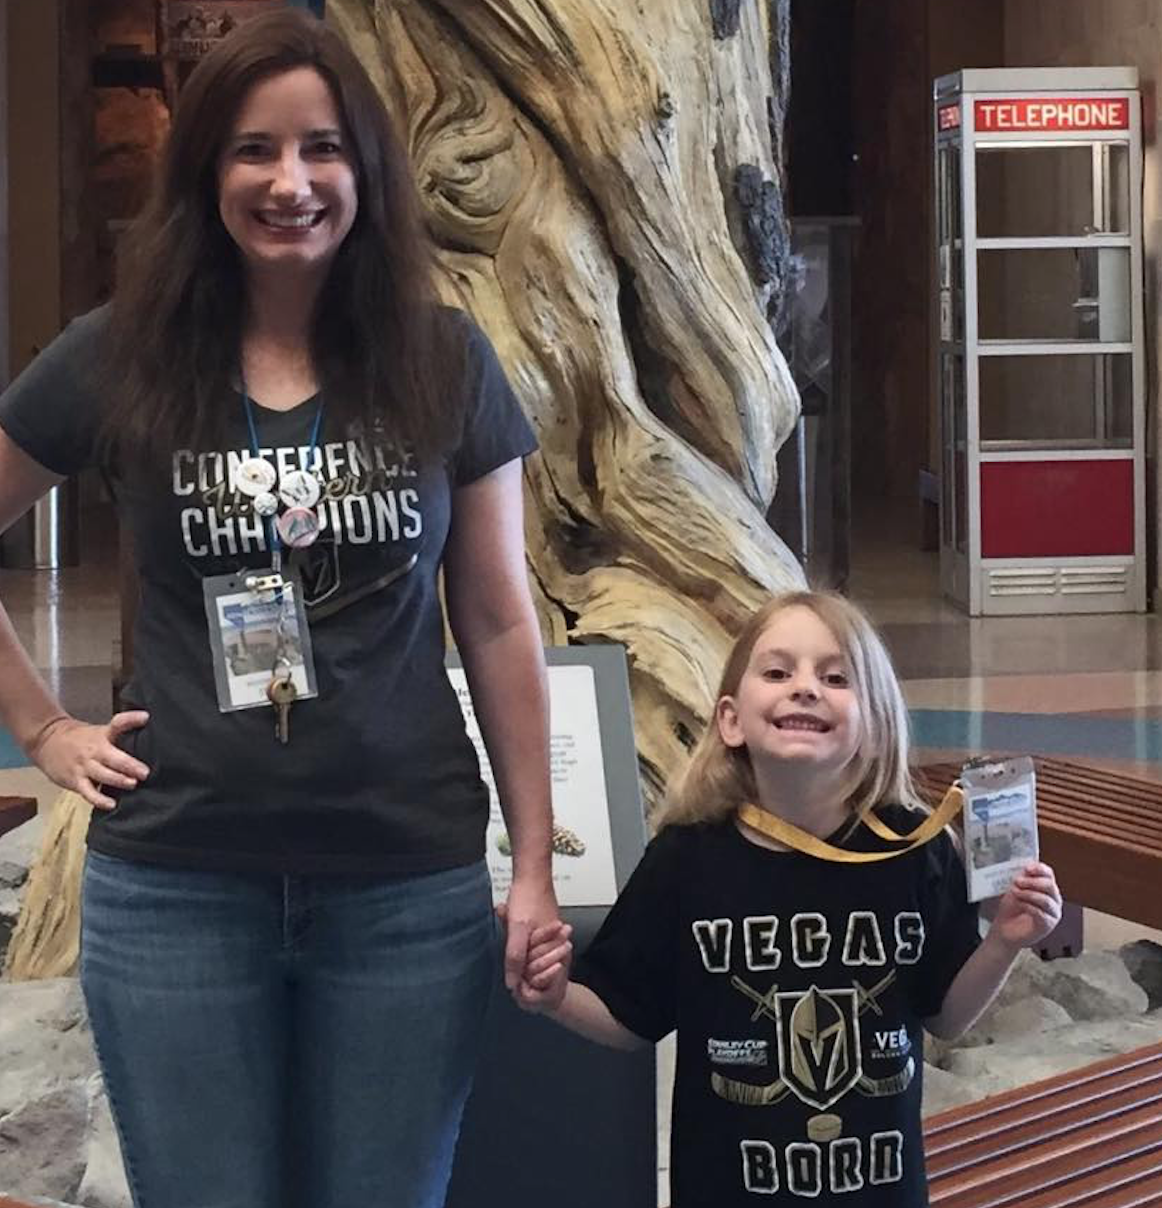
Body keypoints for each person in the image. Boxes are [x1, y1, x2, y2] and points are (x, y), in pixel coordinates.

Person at [0, 10, 557, 1207]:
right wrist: (43, 727)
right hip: (178, 887)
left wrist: (532, 867)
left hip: (404, 885)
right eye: (253, 149)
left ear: (367, 170)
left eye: (322, 148)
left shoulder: (444, 359)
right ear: (207, 173)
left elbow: (500, 619)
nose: (289, 182)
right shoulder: (118, 354)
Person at [516, 591, 1062, 1206]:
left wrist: (1005, 941)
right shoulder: (687, 858)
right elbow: (628, 1014)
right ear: (730, 719)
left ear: (876, 725)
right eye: (777, 672)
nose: (805, 688)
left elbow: (947, 1015)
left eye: (836, 677)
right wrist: (556, 995)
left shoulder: (917, 849)